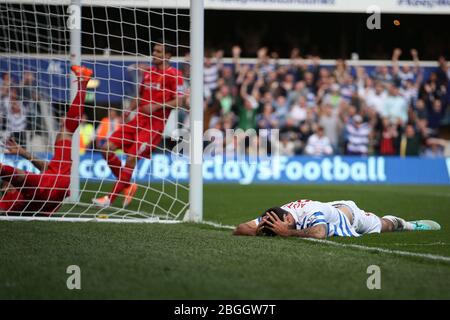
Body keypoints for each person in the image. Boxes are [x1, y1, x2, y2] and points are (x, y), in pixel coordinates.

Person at [92, 41, 186, 208]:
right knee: (106, 148)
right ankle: (127, 185)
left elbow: (180, 100)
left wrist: (157, 106)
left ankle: (109, 199)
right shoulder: (149, 72)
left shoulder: (175, 75)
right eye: (154, 50)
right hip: (137, 120)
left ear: (168, 56)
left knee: (131, 159)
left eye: (159, 51)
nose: (154, 53)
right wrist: (127, 112)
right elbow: (140, 96)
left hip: (153, 126)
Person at [0, 65, 92, 214]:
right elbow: (15, 175)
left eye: (7, 183)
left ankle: (83, 82)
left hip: (57, 183)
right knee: (10, 172)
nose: (9, 184)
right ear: (5, 190)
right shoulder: (9, 201)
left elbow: (43, 169)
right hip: (47, 189)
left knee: (66, 131)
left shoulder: (17, 195)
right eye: (7, 185)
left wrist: (24, 153)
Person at [233, 199, 440, 238]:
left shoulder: (309, 211)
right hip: (331, 212)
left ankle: (410, 224)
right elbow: (239, 228)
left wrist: (287, 233)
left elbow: (319, 233)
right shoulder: (275, 215)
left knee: (385, 225)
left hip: (350, 216)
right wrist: (257, 230)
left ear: (288, 219)